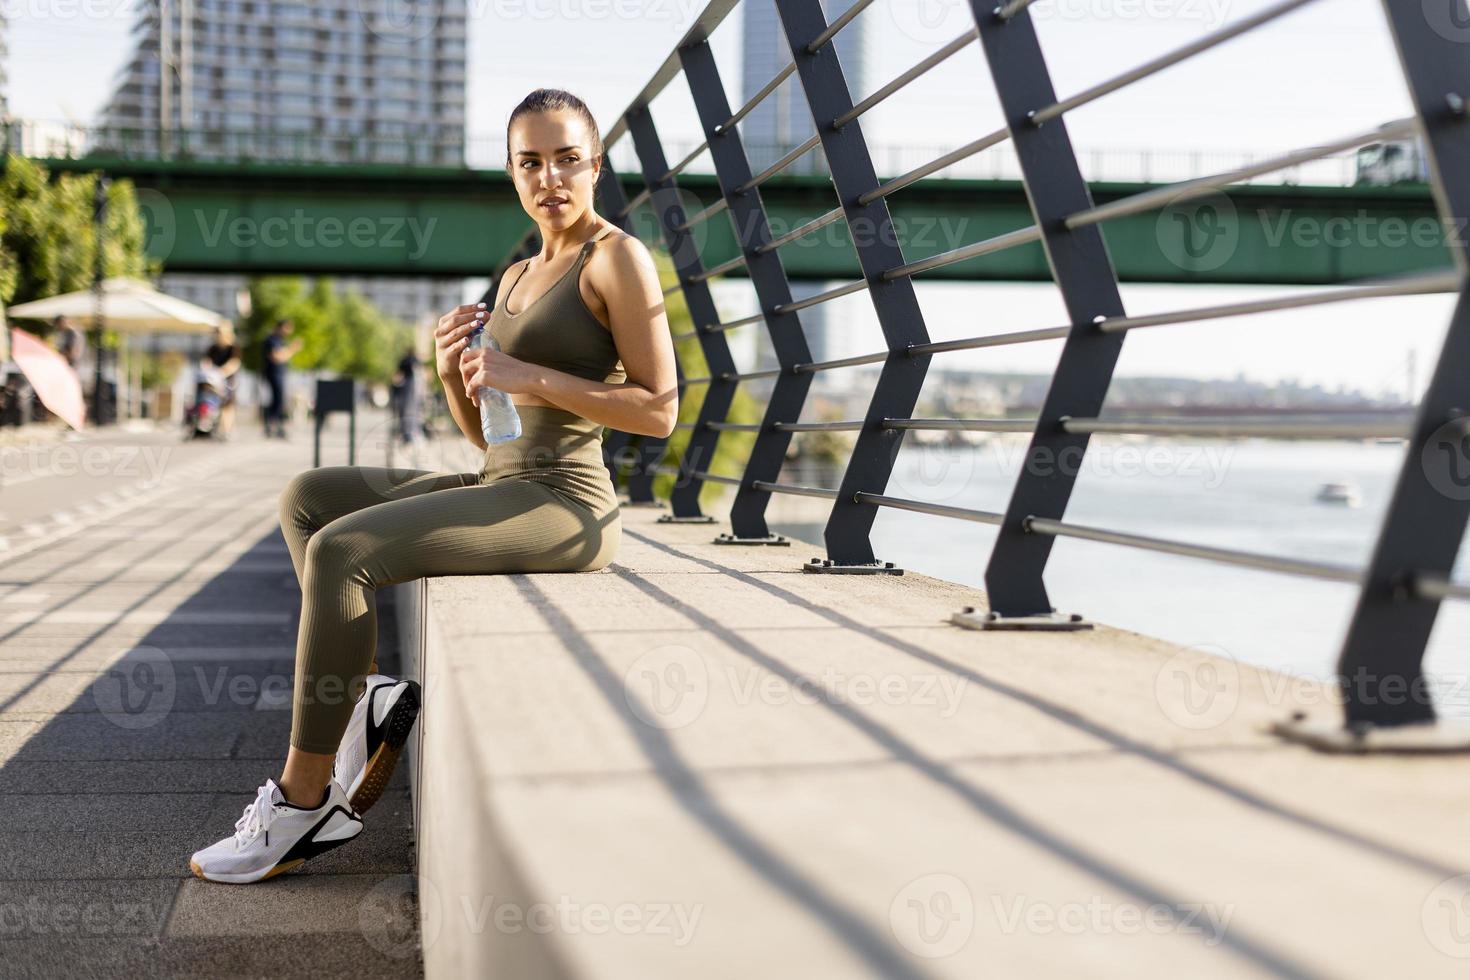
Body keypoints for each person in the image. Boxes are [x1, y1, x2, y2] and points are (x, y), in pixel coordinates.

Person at [188, 88, 678, 883]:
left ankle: (302, 802)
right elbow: (489, 434)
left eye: (566, 158)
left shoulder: (616, 257)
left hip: (566, 503)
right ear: (513, 172)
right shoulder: (520, 271)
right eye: (530, 162)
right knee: (310, 497)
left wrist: (532, 374)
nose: (549, 177)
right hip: (504, 475)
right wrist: (456, 367)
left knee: (344, 551)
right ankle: (361, 700)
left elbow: (659, 409)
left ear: (596, 164)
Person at [261, 318, 302, 439]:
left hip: (279, 374)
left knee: (279, 400)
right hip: (273, 374)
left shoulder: (280, 340)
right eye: (287, 328)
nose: (289, 331)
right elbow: (277, 357)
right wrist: (292, 349)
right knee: (276, 400)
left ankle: (276, 426)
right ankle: (272, 426)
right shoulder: (271, 340)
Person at [202, 323, 243, 439]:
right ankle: (217, 428)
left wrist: (221, 373)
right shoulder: (212, 348)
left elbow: (234, 363)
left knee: (228, 405)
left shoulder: (233, 347)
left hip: (229, 380)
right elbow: (206, 362)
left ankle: (227, 430)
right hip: (214, 380)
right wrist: (209, 371)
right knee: (214, 403)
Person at [390, 346, 422, 445]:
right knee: (409, 409)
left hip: (408, 385)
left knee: (408, 409)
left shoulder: (406, 361)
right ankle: (408, 434)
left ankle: (408, 434)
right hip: (409, 385)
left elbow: (398, 374)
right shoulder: (411, 360)